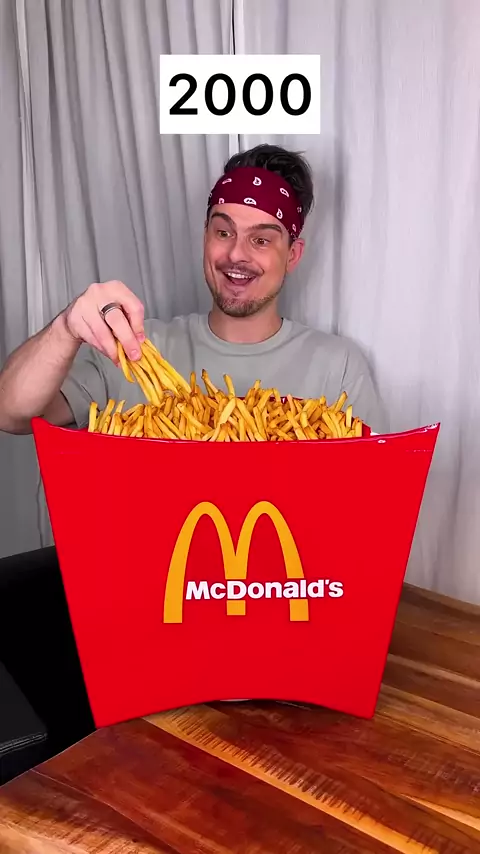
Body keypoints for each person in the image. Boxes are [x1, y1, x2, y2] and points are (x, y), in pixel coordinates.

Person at [0, 144, 385, 435]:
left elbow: (372, 498)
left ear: (292, 255)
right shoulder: (135, 350)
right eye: (224, 232)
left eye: (261, 240)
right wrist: (66, 327)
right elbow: (9, 413)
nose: (236, 254)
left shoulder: (337, 369)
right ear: (205, 238)